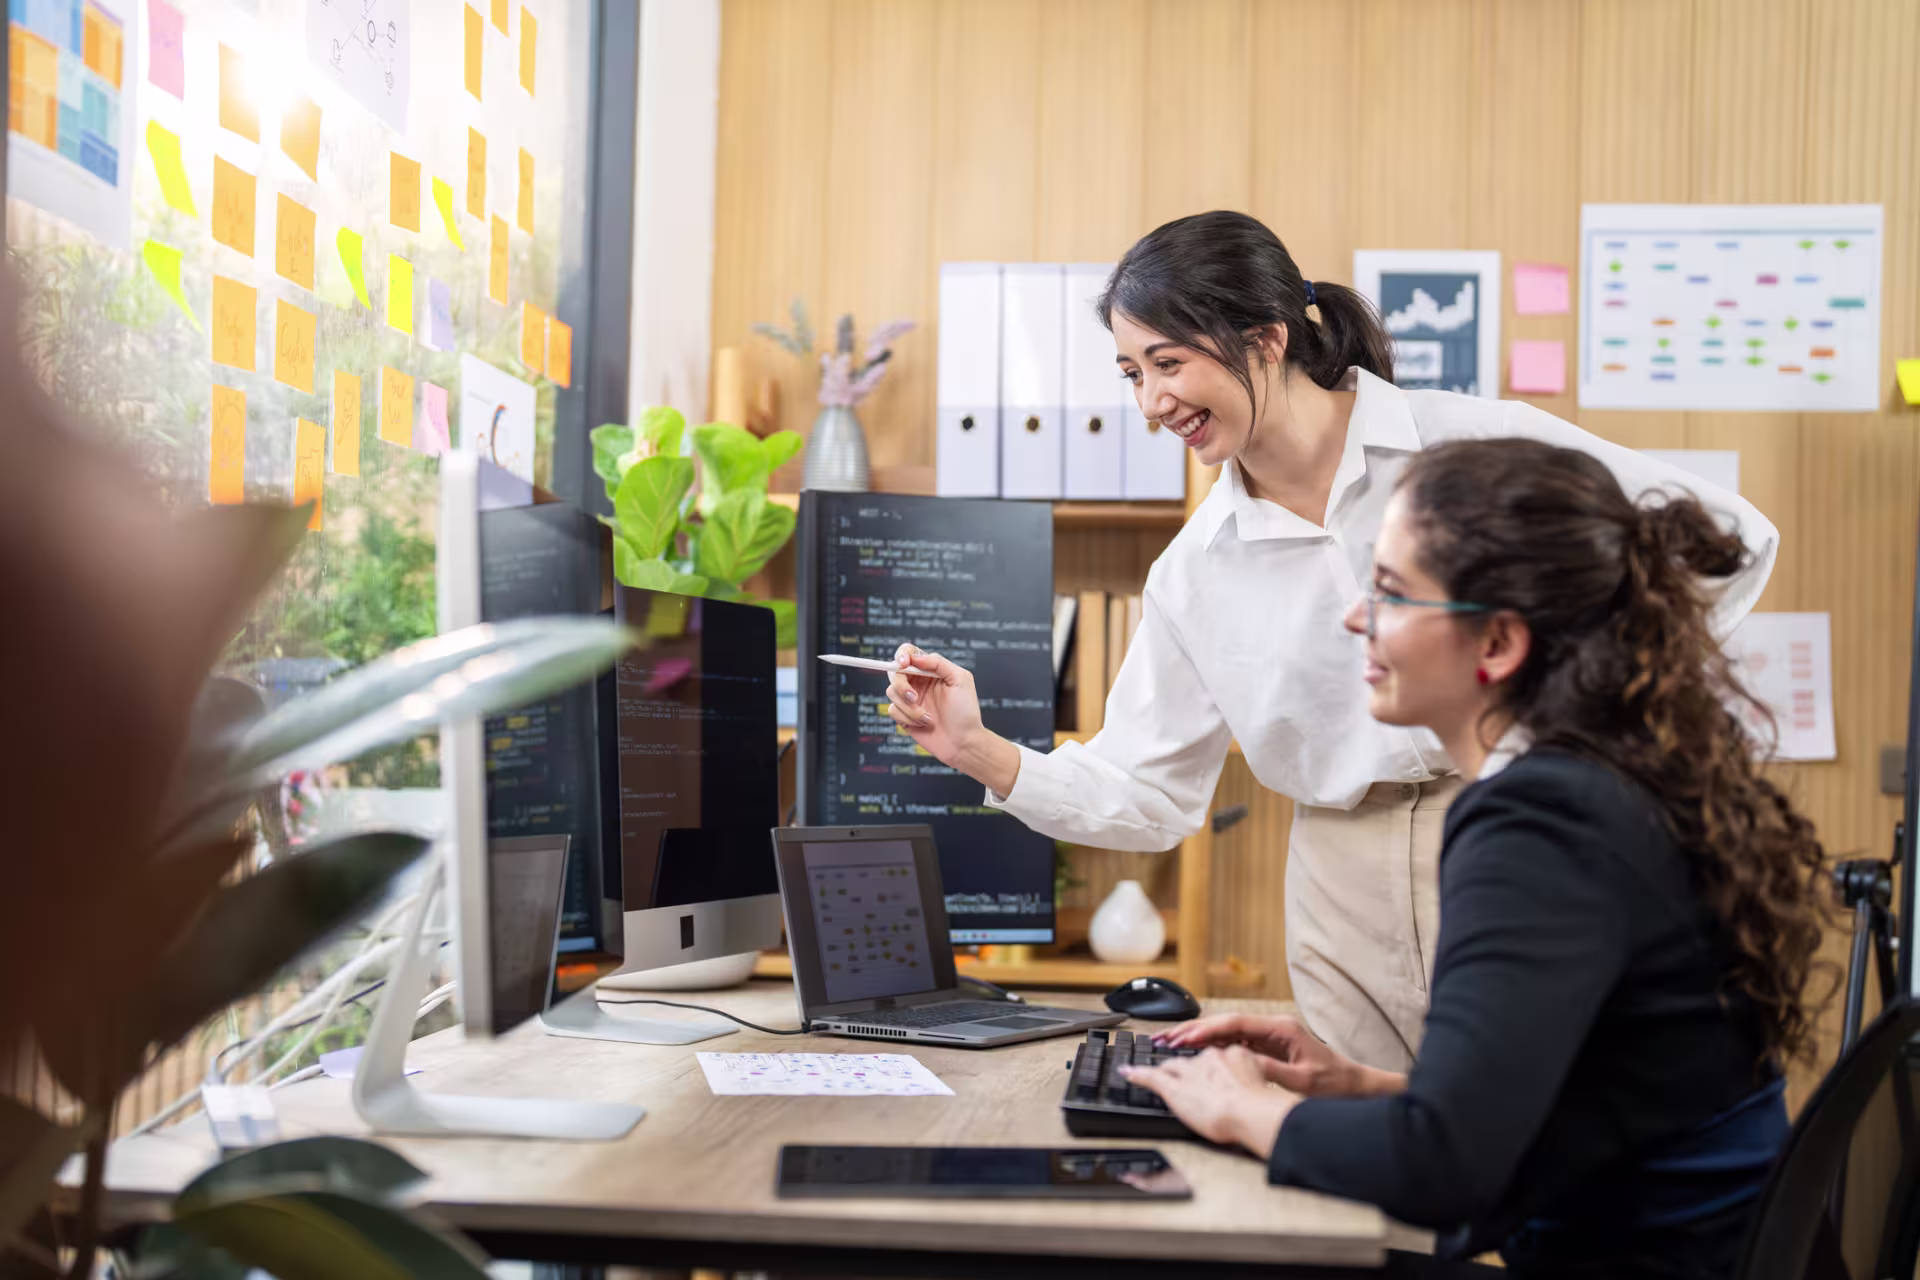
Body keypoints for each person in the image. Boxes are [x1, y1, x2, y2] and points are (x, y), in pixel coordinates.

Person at [886, 210, 1779, 1072]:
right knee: (1365, 1156)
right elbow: (1148, 790)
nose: (1152, 402)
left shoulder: (1470, 444)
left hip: (1523, 828)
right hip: (1340, 885)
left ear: (1267, 339)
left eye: (1169, 362)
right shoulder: (1194, 569)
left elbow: (1726, 544)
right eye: (1131, 374)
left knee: (1551, 1135)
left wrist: (1585, 727)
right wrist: (976, 748)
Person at [1120, 439, 1831, 1278]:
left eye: (1390, 593)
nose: (1356, 618)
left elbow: (1444, 1169)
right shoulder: (1608, 778)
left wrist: (1243, 1111)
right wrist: (1354, 1085)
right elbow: (1575, 1110)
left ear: (1496, 644)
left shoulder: (1541, 824)